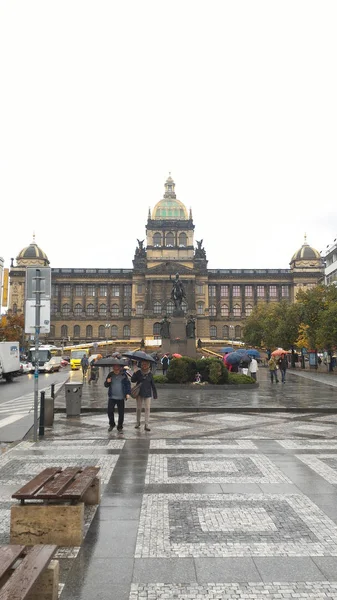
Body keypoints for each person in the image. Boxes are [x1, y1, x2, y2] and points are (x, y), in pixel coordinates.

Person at [104, 361, 131, 432]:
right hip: (112, 397)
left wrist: (128, 393)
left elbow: (128, 384)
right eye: (114, 366)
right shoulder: (110, 374)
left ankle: (120, 426)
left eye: (117, 366)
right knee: (110, 411)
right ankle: (112, 424)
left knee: (121, 413)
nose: (115, 368)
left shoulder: (123, 375)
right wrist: (107, 381)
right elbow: (106, 385)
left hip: (121, 397)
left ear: (119, 367)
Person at [131, 360, 158, 431]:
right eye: (143, 364)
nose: (144, 366)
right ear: (141, 365)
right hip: (139, 393)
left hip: (148, 393)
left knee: (147, 408)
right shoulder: (138, 372)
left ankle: (146, 424)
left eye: (146, 364)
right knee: (139, 408)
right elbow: (133, 380)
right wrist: (135, 372)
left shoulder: (150, 374)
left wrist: (155, 394)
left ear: (149, 365)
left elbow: (153, 385)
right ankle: (138, 422)